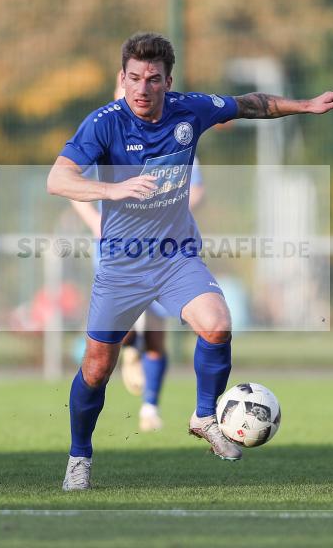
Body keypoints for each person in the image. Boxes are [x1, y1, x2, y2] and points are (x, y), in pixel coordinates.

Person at [47, 32, 333, 491]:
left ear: (168, 82)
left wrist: (307, 106)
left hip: (175, 258)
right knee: (96, 367)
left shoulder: (189, 110)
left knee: (217, 324)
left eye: (153, 79)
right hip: (122, 266)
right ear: (122, 78)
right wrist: (112, 189)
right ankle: (79, 457)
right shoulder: (103, 124)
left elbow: (250, 105)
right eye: (134, 78)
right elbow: (58, 179)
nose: (142, 88)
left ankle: (204, 417)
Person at [70, 107, 206, 433]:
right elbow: (73, 183)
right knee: (118, 334)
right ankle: (130, 346)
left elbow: (197, 190)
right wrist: (95, 223)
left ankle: (150, 408)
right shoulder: (106, 133)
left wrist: (165, 214)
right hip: (119, 252)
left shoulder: (179, 139)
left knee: (157, 332)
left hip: (163, 253)